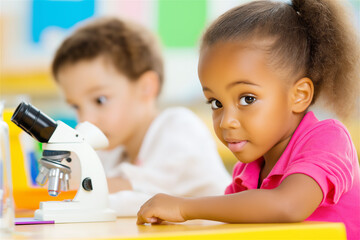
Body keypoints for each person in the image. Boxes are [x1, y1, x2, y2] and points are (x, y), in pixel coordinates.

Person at [136, 1, 360, 239]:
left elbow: (288, 206)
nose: (226, 122)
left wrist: (184, 207)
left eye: (247, 99)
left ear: (299, 95)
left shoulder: (327, 138)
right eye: (216, 103)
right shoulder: (248, 170)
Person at [51, 17, 231, 216]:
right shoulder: (111, 151)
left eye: (100, 100)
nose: (86, 119)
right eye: (76, 106)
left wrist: (76, 183)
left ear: (146, 87)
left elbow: (147, 197)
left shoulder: (178, 127)